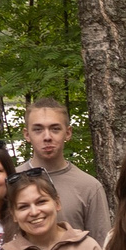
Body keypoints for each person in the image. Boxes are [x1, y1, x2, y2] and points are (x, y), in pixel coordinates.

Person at [18, 98, 111, 242]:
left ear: (68, 133)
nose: (47, 137)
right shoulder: (11, 181)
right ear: (27, 134)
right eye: (38, 129)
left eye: (55, 129)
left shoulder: (89, 187)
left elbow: (102, 248)